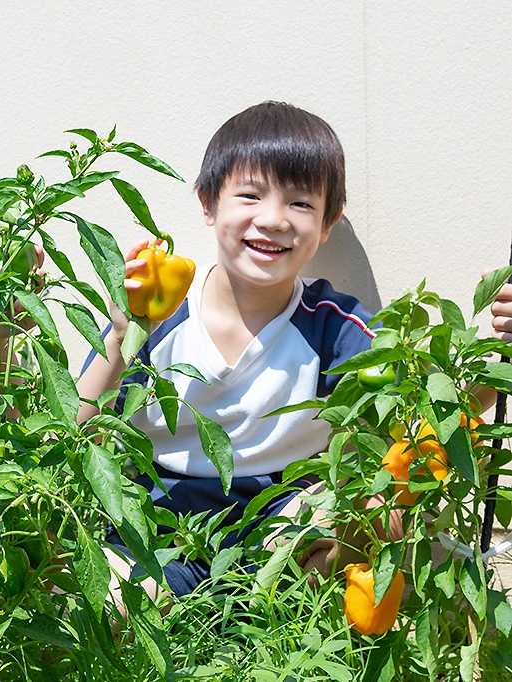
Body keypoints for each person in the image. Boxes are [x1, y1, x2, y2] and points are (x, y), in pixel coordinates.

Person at [78, 101, 382, 605]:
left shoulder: (333, 324)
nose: (274, 220)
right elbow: (77, 425)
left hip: (283, 524)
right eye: (250, 195)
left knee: (369, 505)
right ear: (208, 202)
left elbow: (425, 405)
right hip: (165, 523)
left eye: (301, 204)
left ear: (328, 224)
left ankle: (269, 615)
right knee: (115, 605)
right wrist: (121, 332)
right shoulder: (162, 310)